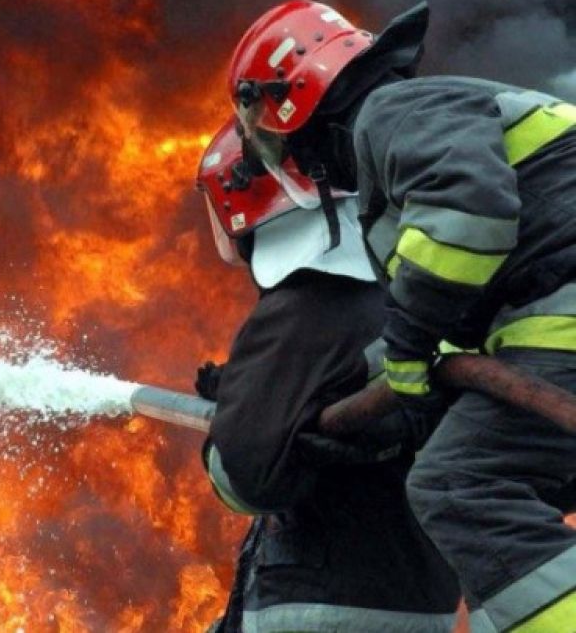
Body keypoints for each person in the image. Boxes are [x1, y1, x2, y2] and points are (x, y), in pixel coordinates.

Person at [225, 0, 576, 632]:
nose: (287, 156)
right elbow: (457, 328)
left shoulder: (390, 113)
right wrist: (376, 395)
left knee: (457, 486)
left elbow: (469, 219)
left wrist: (408, 345)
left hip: (561, 314)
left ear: (291, 102)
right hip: (547, 318)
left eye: (271, 136)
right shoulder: (415, 127)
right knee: (519, 486)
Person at [194, 119, 460, 632]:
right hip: (420, 601)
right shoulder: (407, 300)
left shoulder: (304, 309)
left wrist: (231, 426)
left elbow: (245, 477)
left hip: (321, 602)